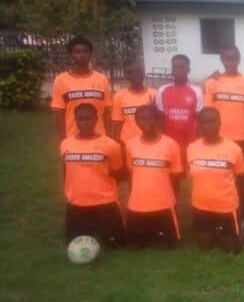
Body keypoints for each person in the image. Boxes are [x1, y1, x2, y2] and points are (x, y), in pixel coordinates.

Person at [203, 46, 244, 227]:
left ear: (239, 59)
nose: (231, 62)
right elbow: (207, 114)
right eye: (227, 58)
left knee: (241, 179)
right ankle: (219, 215)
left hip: (240, 140)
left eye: (234, 58)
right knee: (217, 179)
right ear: (222, 60)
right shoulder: (213, 82)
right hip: (217, 140)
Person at [60, 103, 124, 247]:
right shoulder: (66, 144)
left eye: (89, 118)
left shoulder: (111, 145)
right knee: (74, 244)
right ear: (75, 120)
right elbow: (66, 170)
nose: (85, 123)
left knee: (115, 246)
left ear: (96, 119)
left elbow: (117, 172)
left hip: (105, 204)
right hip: (76, 203)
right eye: (81, 119)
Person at [187, 108, 244, 254]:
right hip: (200, 206)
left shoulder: (233, 149)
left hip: (226, 207)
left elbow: (243, 181)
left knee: (231, 250)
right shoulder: (191, 148)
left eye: (213, 121)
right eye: (204, 122)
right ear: (198, 125)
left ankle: (243, 228)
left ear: (220, 123)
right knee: (204, 247)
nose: (208, 126)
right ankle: (215, 229)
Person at [125, 105, 183, 248]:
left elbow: (176, 176)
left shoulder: (171, 144)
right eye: (142, 119)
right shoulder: (130, 144)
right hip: (137, 205)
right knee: (134, 246)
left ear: (157, 120)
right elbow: (132, 173)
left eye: (150, 118)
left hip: (164, 205)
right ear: (136, 121)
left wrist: (171, 200)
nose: (146, 122)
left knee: (166, 246)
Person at [51, 36, 112, 142]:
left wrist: (108, 137)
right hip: (72, 139)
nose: (81, 55)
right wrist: (62, 140)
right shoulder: (61, 80)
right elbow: (59, 115)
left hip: (99, 139)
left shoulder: (102, 79)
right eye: (77, 52)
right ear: (71, 54)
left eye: (85, 52)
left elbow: (107, 112)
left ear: (91, 54)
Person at [156, 54, 203, 163]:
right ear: (172, 70)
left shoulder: (197, 91)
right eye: (175, 67)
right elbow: (160, 118)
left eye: (181, 67)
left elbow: (199, 118)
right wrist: (161, 140)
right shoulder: (162, 90)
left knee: (189, 169)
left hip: (190, 141)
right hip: (169, 141)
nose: (178, 70)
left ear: (188, 69)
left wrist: (199, 141)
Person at [112, 61, 156, 145]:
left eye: (138, 71)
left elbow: (159, 121)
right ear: (126, 76)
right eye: (130, 72)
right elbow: (117, 122)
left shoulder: (154, 94)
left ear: (143, 74)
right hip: (127, 143)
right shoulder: (119, 96)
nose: (135, 75)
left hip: (150, 142)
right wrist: (117, 142)